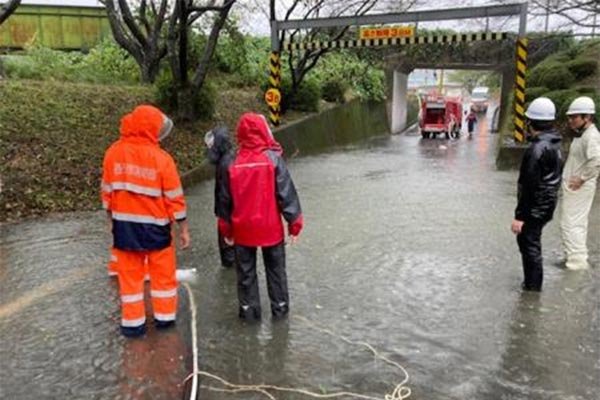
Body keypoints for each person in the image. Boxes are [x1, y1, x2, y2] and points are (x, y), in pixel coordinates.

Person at [101, 105, 190, 337]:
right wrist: (183, 228)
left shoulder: (113, 153)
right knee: (162, 277)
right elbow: (174, 197)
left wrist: (110, 219)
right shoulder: (162, 159)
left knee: (129, 280)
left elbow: (107, 192)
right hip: (157, 229)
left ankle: (133, 325)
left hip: (125, 229)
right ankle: (165, 320)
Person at [216, 112, 304, 321]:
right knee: (276, 273)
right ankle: (280, 312)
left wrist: (226, 231)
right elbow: (286, 194)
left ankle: (249, 314)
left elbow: (224, 202)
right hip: (270, 229)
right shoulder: (273, 159)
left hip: (243, 231)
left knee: (245, 275)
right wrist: (295, 224)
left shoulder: (230, 163)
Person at [511, 97, 562, 292]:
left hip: (535, 207)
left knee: (529, 245)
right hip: (547, 203)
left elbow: (528, 185)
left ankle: (532, 288)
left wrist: (519, 216)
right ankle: (532, 285)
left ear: (530, 122)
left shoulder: (537, 149)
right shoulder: (555, 144)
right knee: (532, 243)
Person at [559, 96, 600, 270]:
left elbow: (597, 160)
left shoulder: (591, 136)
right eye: (570, 117)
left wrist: (581, 178)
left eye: (575, 117)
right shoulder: (582, 135)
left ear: (587, 117)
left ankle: (576, 264)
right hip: (574, 187)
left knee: (571, 224)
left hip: (580, 188)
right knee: (574, 223)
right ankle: (575, 257)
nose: (571, 120)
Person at [205, 126, 236, 268]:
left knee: (228, 250)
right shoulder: (229, 158)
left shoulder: (225, 164)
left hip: (227, 215)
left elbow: (225, 195)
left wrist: (224, 221)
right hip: (230, 214)